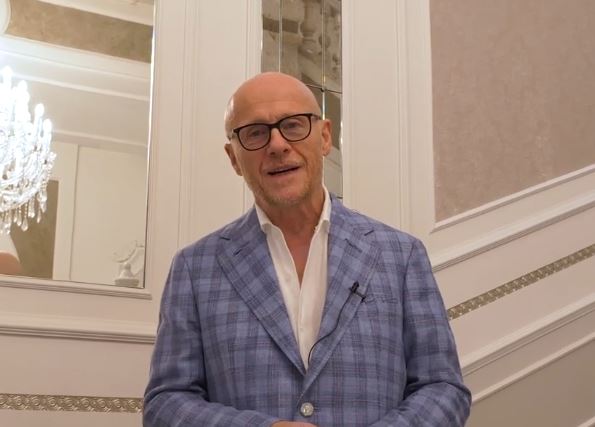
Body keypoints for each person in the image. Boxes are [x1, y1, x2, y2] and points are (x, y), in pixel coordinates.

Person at [143, 72, 471, 426]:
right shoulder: (194, 268)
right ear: (233, 157)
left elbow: (443, 388)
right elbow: (165, 404)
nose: (277, 145)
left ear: (325, 137)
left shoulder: (401, 255)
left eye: (293, 125)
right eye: (255, 133)